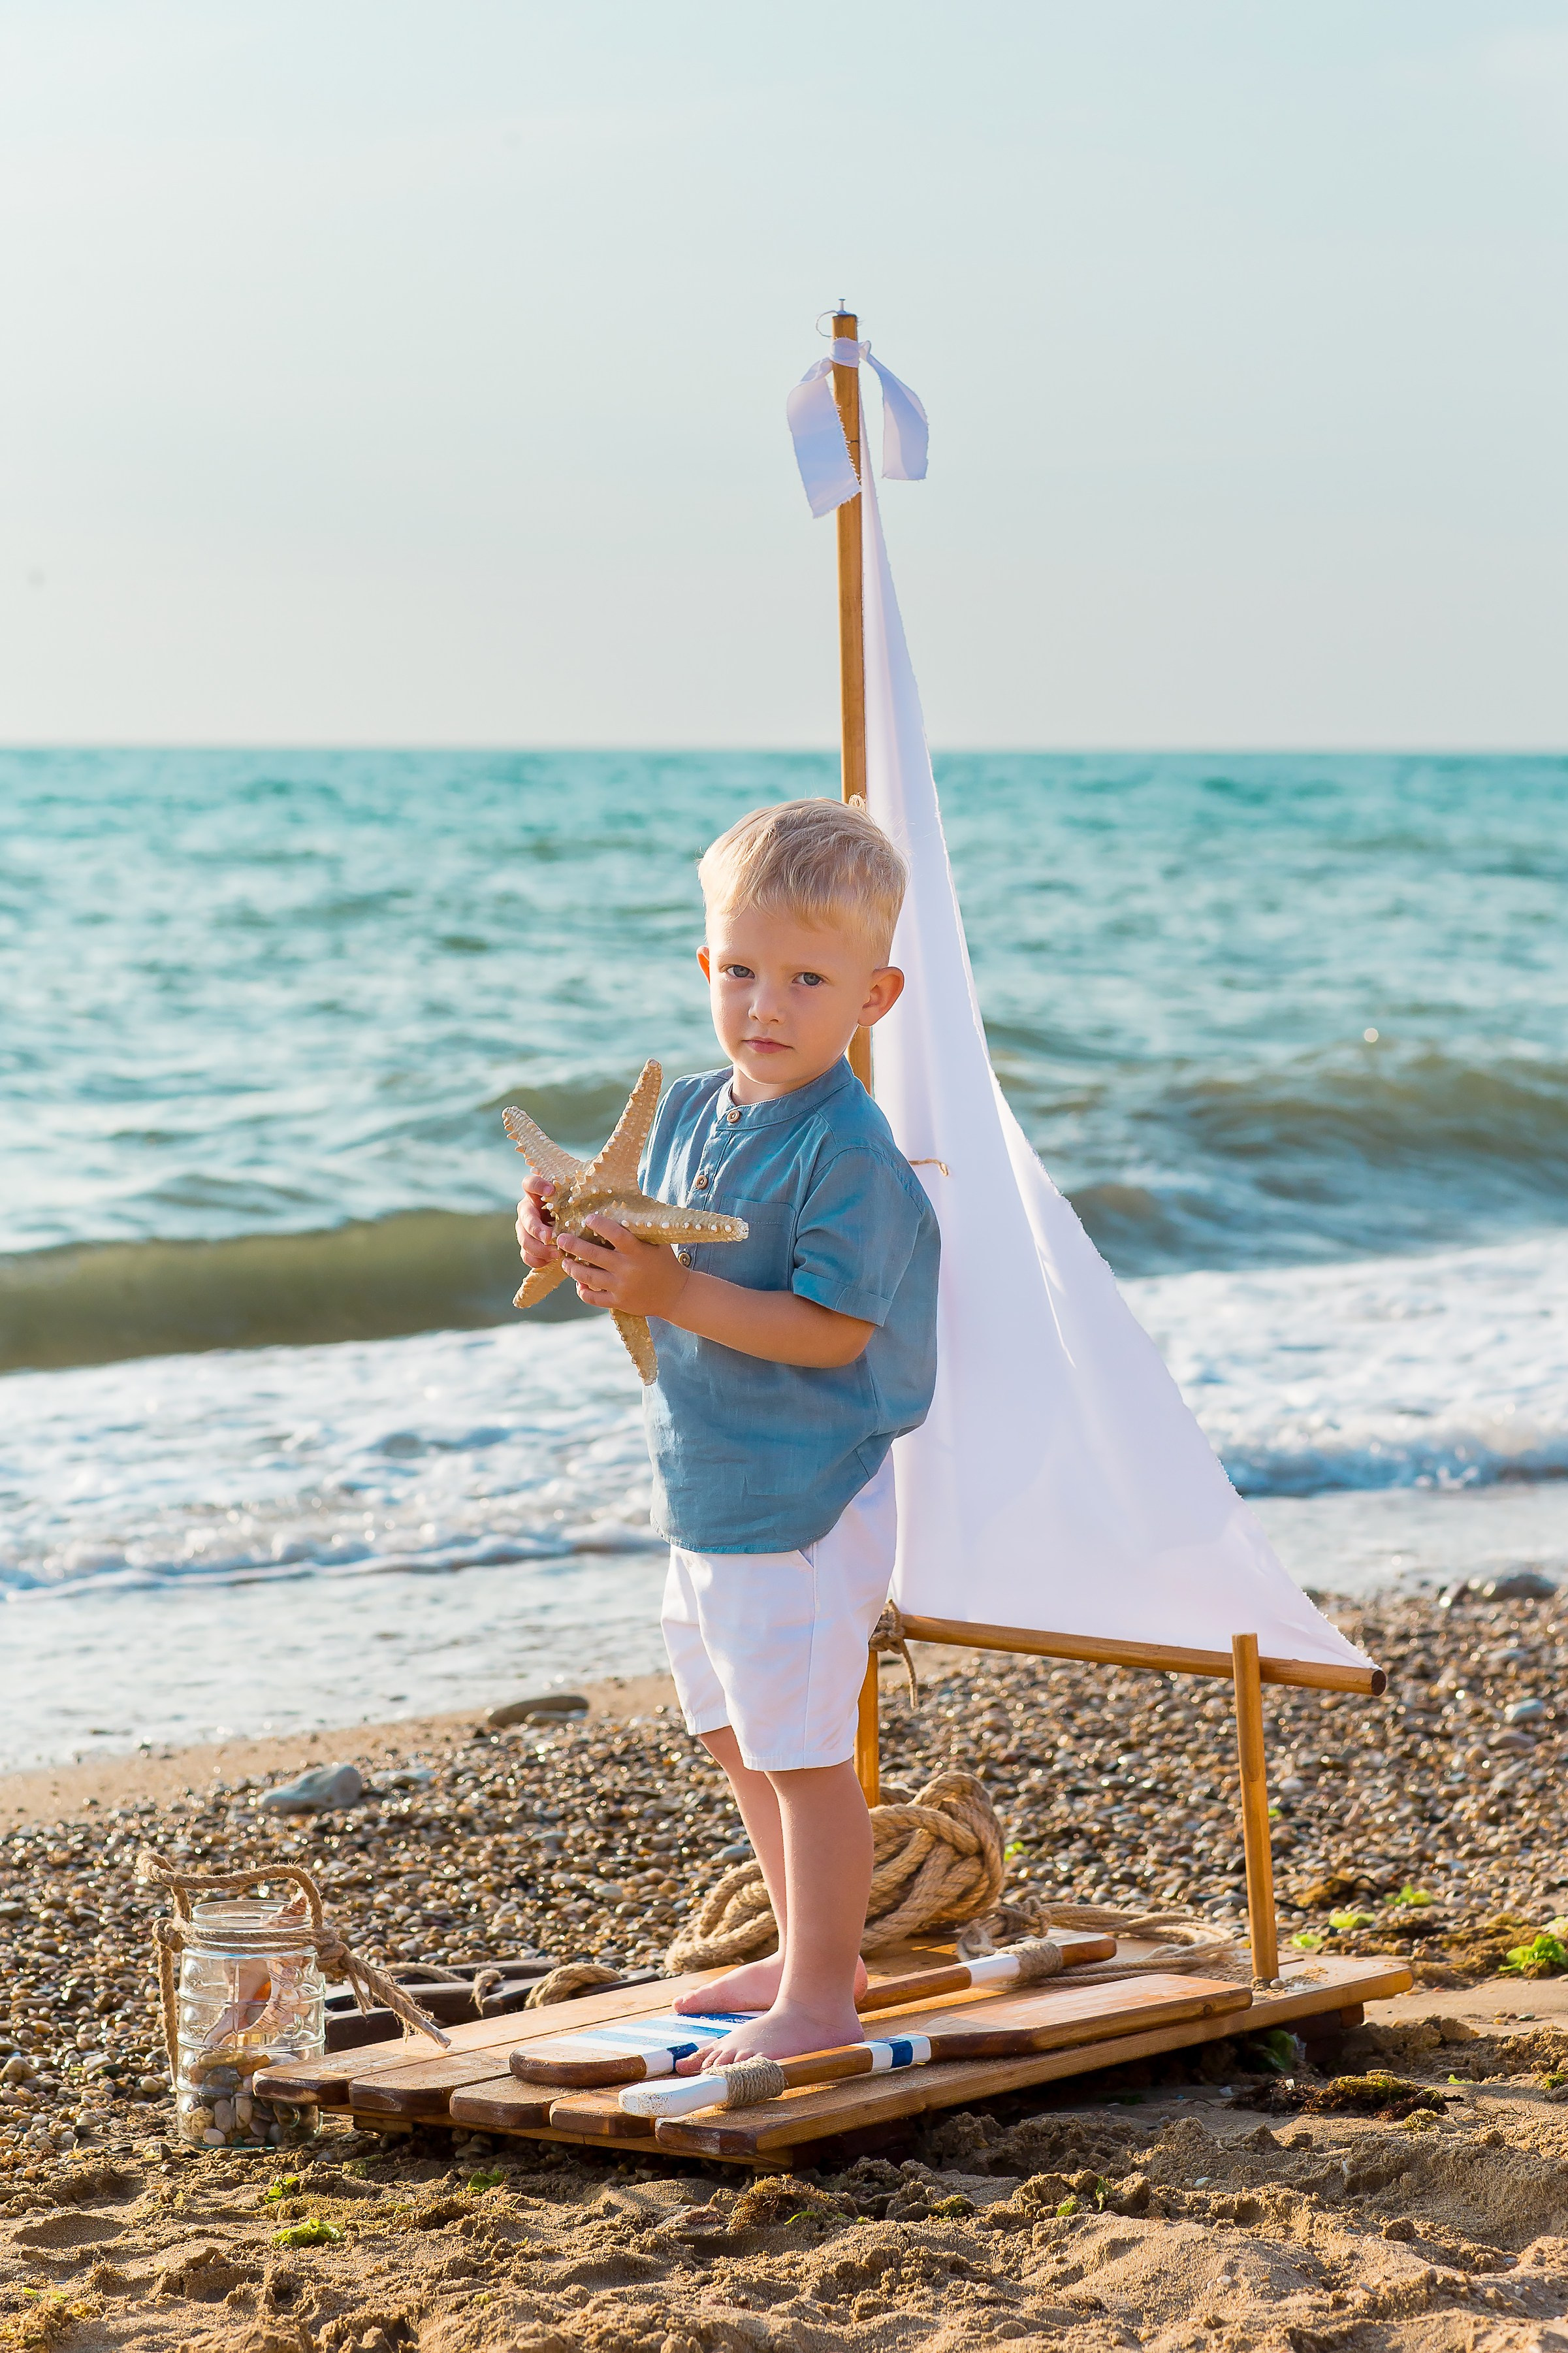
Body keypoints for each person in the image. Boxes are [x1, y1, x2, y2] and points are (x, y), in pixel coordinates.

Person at [515, 798, 940, 2069]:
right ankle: (820, 1944)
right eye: (741, 969)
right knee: (728, 1722)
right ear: (706, 965)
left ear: (874, 996)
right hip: (706, 1483)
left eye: (807, 977)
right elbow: (628, 1242)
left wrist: (666, 1290)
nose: (767, 1000)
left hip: (806, 1497)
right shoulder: (695, 1112)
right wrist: (559, 1231)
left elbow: (833, 1329)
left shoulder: (848, 1151)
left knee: (806, 1751)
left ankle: (818, 1997)